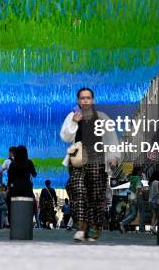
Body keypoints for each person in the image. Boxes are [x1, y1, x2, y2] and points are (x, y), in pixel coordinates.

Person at [60, 87, 120, 242]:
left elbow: (111, 138)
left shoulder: (102, 117)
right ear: (78, 100)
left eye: (88, 98)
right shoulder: (72, 116)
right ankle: (81, 228)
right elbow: (65, 137)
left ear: (92, 100)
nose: (85, 100)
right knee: (78, 189)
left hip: (98, 160)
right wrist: (74, 123)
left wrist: (113, 157)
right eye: (82, 98)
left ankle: (93, 229)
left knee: (95, 196)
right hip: (78, 159)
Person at [7, 145, 37, 225]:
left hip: (16, 187)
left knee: (11, 204)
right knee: (29, 205)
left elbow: (10, 179)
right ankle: (26, 222)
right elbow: (34, 174)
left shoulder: (12, 164)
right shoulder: (29, 162)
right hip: (27, 187)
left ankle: (12, 222)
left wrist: (9, 187)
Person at [119, 166, 143, 232]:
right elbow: (138, 189)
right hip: (136, 197)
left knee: (132, 213)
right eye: (141, 171)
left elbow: (130, 189)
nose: (142, 172)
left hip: (131, 196)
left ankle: (123, 224)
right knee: (136, 214)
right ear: (138, 171)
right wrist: (136, 197)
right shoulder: (137, 179)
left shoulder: (132, 179)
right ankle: (123, 223)